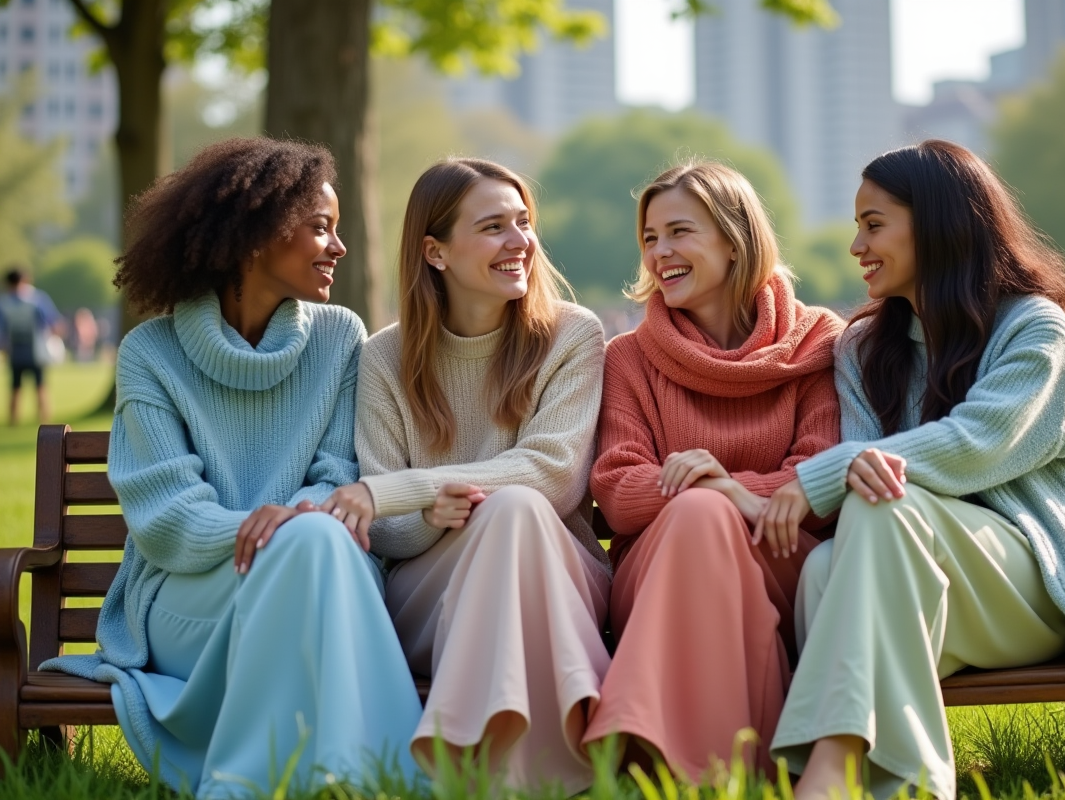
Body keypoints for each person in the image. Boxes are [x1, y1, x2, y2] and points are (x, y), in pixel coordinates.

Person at [40, 138, 423, 797]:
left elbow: (338, 478)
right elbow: (167, 522)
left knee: (311, 540)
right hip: (190, 601)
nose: (340, 248)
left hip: (318, 566)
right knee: (308, 541)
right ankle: (380, 776)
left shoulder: (340, 338)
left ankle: (269, 781)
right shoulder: (151, 354)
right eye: (320, 228)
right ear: (255, 236)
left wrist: (294, 524)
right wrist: (268, 527)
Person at [768, 140, 1065, 800]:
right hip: (919, 579)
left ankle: (832, 766)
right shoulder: (861, 348)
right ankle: (896, 783)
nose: (856, 245)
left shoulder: (1032, 326)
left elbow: (978, 445)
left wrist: (832, 470)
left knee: (884, 502)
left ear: (936, 224)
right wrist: (850, 470)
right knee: (829, 563)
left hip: (1034, 582)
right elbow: (868, 479)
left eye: (873, 224)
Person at [319, 158, 611, 794]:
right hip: (432, 599)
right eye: (494, 226)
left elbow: (553, 474)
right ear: (435, 251)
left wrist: (406, 490)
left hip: (554, 583)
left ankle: (475, 769)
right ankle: (526, 771)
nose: (520, 242)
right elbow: (386, 537)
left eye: (524, 222)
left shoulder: (571, 335)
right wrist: (423, 518)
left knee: (515, 509)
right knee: (508, 508)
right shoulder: (384, 358)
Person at [579, 160, 844, 778]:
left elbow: (821, 477)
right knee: (699, 515)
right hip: (662, 568)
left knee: (702, 508)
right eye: (648, 238)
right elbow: (618, 491)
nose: (658, 253)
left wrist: (723, 486)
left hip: (784, 554)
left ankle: (668, 760)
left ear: (733, 239)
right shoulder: (628, 358)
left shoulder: (815, 340)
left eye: (678, 232)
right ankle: (727, 768)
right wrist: (721, 496)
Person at [0, 267, 64, 425]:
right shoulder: (36, 299)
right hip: (35, 348)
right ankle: (43, 418)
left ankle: (14, 420)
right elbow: (52, 321)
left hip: (16, 348)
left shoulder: (4, 303)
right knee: (39, 384)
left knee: (16, 385)